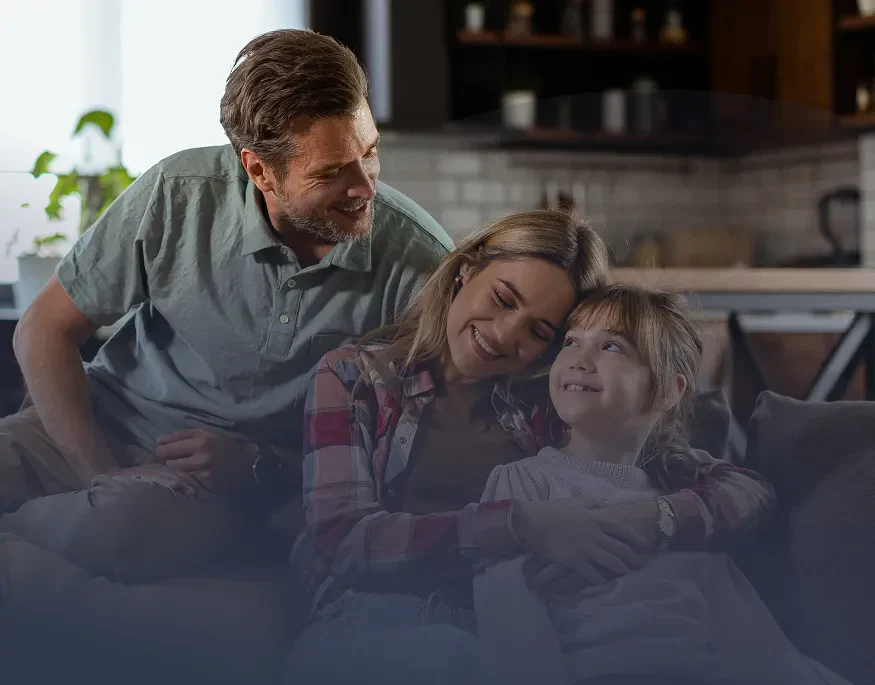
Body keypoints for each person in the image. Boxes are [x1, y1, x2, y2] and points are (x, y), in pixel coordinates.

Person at [0, 29, 453, 582]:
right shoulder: (178, 191)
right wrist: (102, 470)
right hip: (100, 424)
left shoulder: (423, 265)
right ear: (259, 170)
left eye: (371, 152)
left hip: (216, 483)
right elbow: (43, 330)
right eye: (331, 173)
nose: (365, 187)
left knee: (118, 525)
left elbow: (418, 448)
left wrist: (263, 467)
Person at [284, 210, 775, 684]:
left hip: (509, 618)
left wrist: (656, 519)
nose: (503, 335)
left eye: (540, 331)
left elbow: (743, 489)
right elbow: (343, 541)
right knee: (447, 656)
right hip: (370, 613)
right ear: (466, 270)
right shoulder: (354, 376)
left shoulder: (551, 397)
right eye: (502, 298)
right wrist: (518, 526)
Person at [474, 284, 849, 685]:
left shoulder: (680, 501)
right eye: (572, 341)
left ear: (668, 390)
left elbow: (756, 644)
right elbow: (506, 610)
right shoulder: (523, 481)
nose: (579, 359)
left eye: (612, 347)